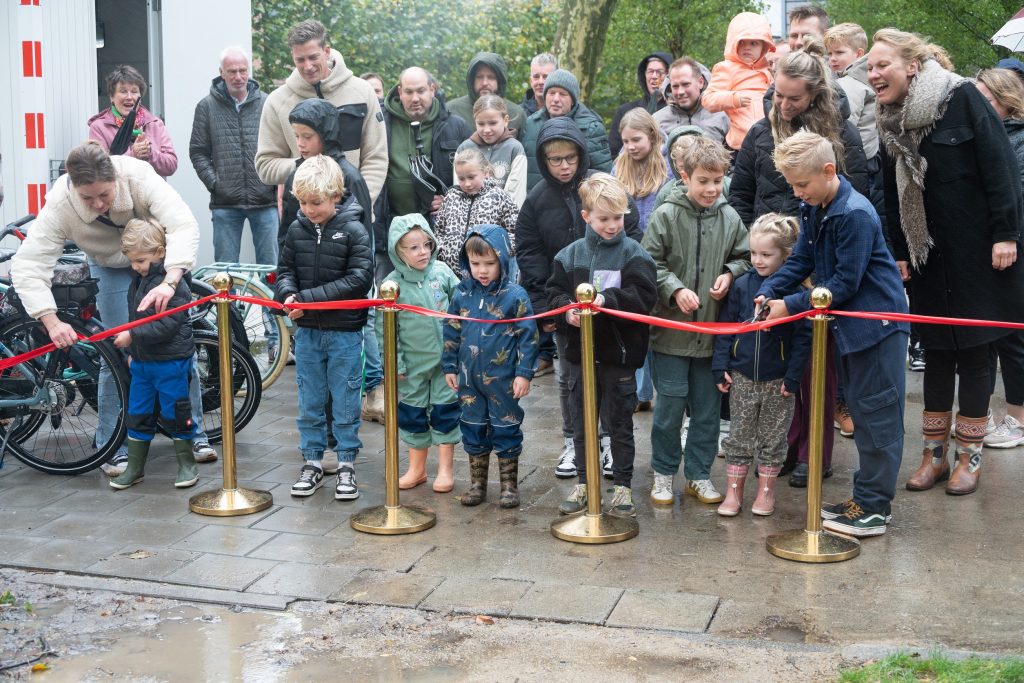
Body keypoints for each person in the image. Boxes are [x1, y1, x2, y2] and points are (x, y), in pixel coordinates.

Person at [871, 30, 1024, 496]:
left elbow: (1001, 169)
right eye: (870, 67)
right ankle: (933, 456)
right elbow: (891, 190)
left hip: (980, 252)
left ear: (912, 65)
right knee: (936, 351)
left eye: (882, 65)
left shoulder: (962, 98)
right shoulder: (889, 117)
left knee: (976, 353)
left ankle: (968, 458)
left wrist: (1006, 235)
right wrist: (900, 251)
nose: (874, 74)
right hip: (927, 256)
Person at [11, 141, 216, 475]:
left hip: (158, 261)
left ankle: (193, 434)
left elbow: (182, 224)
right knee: (116, 351)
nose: (98, 204)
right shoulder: (60, 204)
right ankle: (111, 444)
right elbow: (28, 265)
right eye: (87, 198)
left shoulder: (137, 175)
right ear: (72, 186)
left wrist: (170, 280)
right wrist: (51, 321)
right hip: (108, 264)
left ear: (116, 180)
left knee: (178, 348)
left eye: (104, 194)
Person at [758, 130, 910, 537]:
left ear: (829, 171)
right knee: (861, 411)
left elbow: (843, 283)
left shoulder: (854, 213)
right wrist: (769, 289)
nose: (796, 192)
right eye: (792, 185)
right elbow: (802, 259)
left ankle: (874, 508)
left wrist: (790, 305)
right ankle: (866, 497)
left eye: (801, 184)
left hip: (878, 329)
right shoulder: (815, 205)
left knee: (876, 417)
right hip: (851, 331)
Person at [517, 118, 643, 479]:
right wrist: (547, 308)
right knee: (569, 378)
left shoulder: (604, 186)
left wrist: (619, 296)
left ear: (581, 154)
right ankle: (574, 441)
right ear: (544, 160)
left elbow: (632, 236)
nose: (564, 166)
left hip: (610, 306)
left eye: (570, 158)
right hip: (564, 304)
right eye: (555, 160)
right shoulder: (537, 198)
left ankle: (608, 441)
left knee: (610, 376)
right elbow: (529, 253)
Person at [642, 137, 750, 507]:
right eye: (703, 181)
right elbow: (648, 263)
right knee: (669, 409)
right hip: (671, 333)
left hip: (712, 336)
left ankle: (699, 475)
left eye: (717, 181)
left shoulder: (730, 217)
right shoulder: (666, 215)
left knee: (707, 412)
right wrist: (673, 289)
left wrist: (731, 273)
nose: (711, 189)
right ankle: (663, 473)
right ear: (685, 176)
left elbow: (745, 256)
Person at [547, 174, 658, 518]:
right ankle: (585, 482)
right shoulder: (569, 256)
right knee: (582, 424)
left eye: (618, 218)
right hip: (579, 357)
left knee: (620, 424)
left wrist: (606, 299)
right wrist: (567, 313)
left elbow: (644, 297)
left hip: (618, 357)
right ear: (586, 217)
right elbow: (554, 294)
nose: (612, 225)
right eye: (604, 219)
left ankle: (622, 485)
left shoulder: (635, 254)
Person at [281, 98, 384, 424]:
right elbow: (288, 232)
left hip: (341, 297)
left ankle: (372, 391)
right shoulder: (298, 173)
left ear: (325, 134)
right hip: (306, 294)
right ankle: (320, 432)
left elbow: (362, 232)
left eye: (307, 136)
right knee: (313, 376)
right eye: (296, 136)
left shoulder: (348, 175)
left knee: (348, 364)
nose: (300, 143)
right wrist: (287, 287)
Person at [276, 154, 372, 501]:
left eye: (315, 202)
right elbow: (285, 270)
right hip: (308, 331)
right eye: (303, 203)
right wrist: (288, 294)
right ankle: (313, 461)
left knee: (345, 399)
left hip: (344, 332)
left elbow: (359, 279)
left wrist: (307, 298)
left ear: (335, 195)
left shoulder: (354, 230)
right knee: (309, 399)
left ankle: (346, 463)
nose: (308, 209)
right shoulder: (297, 229)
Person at [712, 213, 810, 516]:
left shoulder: (796, 294)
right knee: (738, 436)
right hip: (742, 377)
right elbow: (726, 327)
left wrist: (793, 377)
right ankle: (734, 492)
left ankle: (766, 493)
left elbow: (803, 339)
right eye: (753, 253)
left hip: (778, 381)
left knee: (773, 438)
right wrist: (720, 365)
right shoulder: (741, 286)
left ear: (786, 255)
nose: (757, 260)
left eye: (766, 254)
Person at [443, 226, 538, 508]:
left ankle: (509, 486)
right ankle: (477, 485)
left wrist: (524, 373)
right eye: (475, 264)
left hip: (503, 379)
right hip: (468, 379)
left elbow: (528, 338)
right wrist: (449, 366)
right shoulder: (461, 293)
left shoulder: (515, 295)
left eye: (489, 263)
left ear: (502, 261)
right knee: (472, 426)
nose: (482, 270)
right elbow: (451, 331)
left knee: (506, 427)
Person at [255, 19, 387, 206]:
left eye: (313, 57)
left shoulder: (362, 92)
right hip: (303, 215)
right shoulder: (277, 101)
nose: (307, 66)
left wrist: (357, 204)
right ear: (292, 56)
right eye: (300, 60)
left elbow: (376, 157)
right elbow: (265, 166)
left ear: (326, 51)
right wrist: (307, 165)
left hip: (356, 213)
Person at [110, 219, 199, 490]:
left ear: (160, 253)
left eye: (140, 260)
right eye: (132, 261)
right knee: (137, 413)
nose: (135, 266)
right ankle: (135, 467)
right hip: (143, 363)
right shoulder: (139, 281)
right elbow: (135, 317)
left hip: (171, 362)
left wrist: (132, 336)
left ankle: (187, 464)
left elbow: (167, 324)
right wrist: (132, 352)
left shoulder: (175, 284)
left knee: (176, 412)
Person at [381, 214, 461, 492]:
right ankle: (417, 469)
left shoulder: (442, 272)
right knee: (412, 413)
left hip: (445, 364)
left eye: (426, 244)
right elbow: (385, 329)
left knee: (445, 411)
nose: (423, 252)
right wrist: (395, 363)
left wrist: (460, 348)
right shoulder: (392, 285)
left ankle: (445, 470)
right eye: (413, 248)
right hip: (412, 367)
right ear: (397, 251)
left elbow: (461, 305)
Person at [189, 47, 278, 267]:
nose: (238, 77)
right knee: (225, 270)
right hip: (225, 203)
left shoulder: (267, 103)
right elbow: (198, 151)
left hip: (265, 200)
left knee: (270, 268)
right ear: (222, 72)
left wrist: (274, 185)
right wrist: (215, 184)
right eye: (232, 71)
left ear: (248, 71)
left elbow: (280, 147)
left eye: (242, 70)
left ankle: (269, 295)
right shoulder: (206, 107)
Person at [379, 66, 473, 266]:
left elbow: (475, 176)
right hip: (390, 229)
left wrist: (449, 198)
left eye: (421, 91)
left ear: (432, 89)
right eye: (409, 92)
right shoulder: (381, 123)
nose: (415, 98)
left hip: (439, 231)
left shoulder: (456, 126)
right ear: (400, 92)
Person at [976, 67, 1024, 449]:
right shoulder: (982, 134)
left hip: (1014, 245)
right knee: (988, 332)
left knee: (1012, 334)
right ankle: (988, 413)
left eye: (986, 99)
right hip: (987, 245)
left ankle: (1019, 418)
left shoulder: (1018, 137)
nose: (979, 106)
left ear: (1006, 101)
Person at [613, 109, 672, 413]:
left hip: (660, 251)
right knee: (635, 322)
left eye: (636, 139)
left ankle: (660, 390)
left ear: (651, 134)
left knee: (657, 324)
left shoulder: (667, 165)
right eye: (625, 141)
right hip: (629, 252)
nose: (631, 146)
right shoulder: (619, 165)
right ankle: (640, 391)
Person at [521, 69, 613, 189]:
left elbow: (603, 177)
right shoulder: (530, 123)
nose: (556, 99)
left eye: (562, 94)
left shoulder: (591, 128)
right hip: (536, 199)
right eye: (551, 93)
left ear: (573, 100)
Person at [435, 149, 519, 278]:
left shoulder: (499, 197)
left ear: (485, 173)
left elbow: (515, 233)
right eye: (461, 179)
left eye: (471, 177)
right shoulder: (451, 197)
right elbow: (439, 231)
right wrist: (441, 251)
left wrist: (497, 253)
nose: (467, 184)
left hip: (485, 276)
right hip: (451, 275)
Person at [702, 12, 775, 153]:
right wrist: (733, 99)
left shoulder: (768, 69)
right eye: (741, 42)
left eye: (753, 43)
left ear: (764, 46)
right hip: (743, 143)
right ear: (733, 43)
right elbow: (708, 99)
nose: (747, 47)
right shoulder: (727, 68)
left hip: (770, 140)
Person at [88, 65, 178, 178]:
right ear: (111, 97)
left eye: (134, 91)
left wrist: (150, 153)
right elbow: (98, 170)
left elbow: (171, 166)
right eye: (123, 91)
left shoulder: (155, 124)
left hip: (149, 189)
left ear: (140, 96)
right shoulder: (99, 127)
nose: (129, 97)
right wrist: (132, 154)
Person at [457, 95, 527, 207]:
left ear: (505, 120)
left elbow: (516, 195)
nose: (487, 130)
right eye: (481, 124)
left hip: (504, 215)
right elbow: (458, 190)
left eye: (493, 123)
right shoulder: (464, 148)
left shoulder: (515, 149)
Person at [447, 52, 527, 140]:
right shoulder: (452, 110)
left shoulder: (516, 114)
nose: (485, 83)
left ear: (499, 81)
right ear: (472, 80)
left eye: (491, 77)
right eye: (479, 77)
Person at [653, 58, 729, 145]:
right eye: (675, 86)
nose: (680, 92)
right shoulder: (657, 122)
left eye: (686, 84)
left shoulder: (723, 117)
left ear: (700, 82)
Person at [609, 52, 672, 157]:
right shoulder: (625, 111)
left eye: (659, 72)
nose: (654, 76)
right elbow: (613, 152)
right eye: (650, 71)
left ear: (669, 76)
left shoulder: (677, 112)